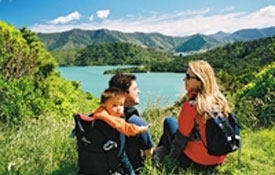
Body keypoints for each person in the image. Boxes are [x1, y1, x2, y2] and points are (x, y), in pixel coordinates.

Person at [153, 60, 230, 174]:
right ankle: (160, 151)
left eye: (188, 77)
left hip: (196, 162)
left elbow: (180, 140)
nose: (184, 80)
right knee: (172, 129)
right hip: (218, 159)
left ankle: (157, 154)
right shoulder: (220, 101)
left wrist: (172, 158)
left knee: (169, 122)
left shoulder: (191, 106)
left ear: (200, 81)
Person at [107, 73, 155, 174]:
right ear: (124, 94)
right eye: (135, 89)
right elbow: (149, 155)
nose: (139, 91)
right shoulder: (136, 122)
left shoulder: (103, 115)